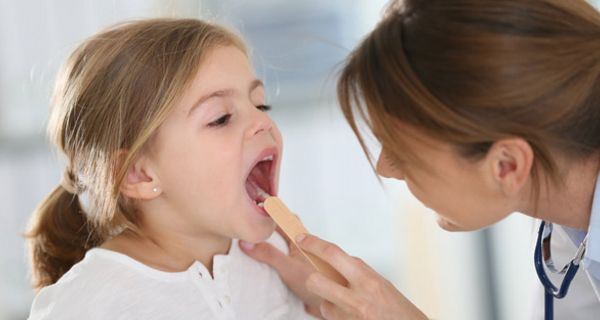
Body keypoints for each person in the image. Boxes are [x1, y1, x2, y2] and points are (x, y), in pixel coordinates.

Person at [240, 0, 600, 319]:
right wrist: (336, 292)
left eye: (403, 151)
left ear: (506, 165)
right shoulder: (570, 231)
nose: (386, 168)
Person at [26, 18, 315, 320]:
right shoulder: (86, 306)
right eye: (220, 118)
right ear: (138, 173)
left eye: (260, 105)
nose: (263, 122)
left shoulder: (281, 259)